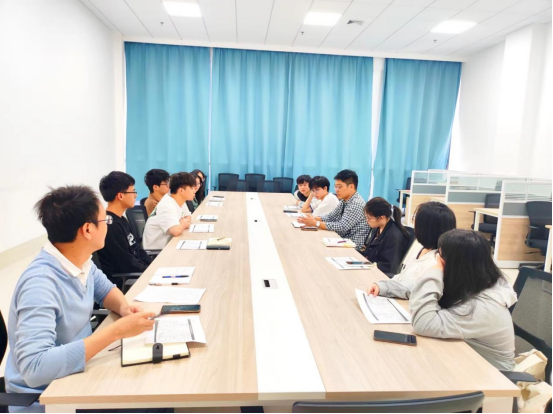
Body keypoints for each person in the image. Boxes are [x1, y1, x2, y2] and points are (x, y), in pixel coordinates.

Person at [5, 186, 155, 413]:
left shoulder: (80, 261)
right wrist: (116, 332)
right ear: (87, 229)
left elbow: (107, 291)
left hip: (77, 375)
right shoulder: (41, 283)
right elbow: (35, 368)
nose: (108, 225)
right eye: (104, 221)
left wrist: (124, 308)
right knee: (153, 404)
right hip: (48, 398)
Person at [369, 230, 517, 371]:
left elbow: (423, 324)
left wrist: (435, 271)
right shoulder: (472, 281)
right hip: (461, 356)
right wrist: (386, 287)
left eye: (440, 255)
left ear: (455, 264)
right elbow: (419, 287)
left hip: (492, 374)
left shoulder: (483, 306)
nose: (436, 259)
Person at [368, 202, 456, 296]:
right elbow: (402, 276)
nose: (413, 223)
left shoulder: (436, 261)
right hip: (396, 293)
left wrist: (385, 287)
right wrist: (382, 285)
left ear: (426, 227)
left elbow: (413, 288)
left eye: (415, 218)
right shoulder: (420, 247)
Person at [97, 172, 153, 288]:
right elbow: (127, 263)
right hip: (124, 282)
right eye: (133, 191)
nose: (135, 195)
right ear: (120, 196)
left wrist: (154, 266)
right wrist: (151, 272)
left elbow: (137, 250)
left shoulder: (121, 219)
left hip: (135, 275)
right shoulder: (111, 226)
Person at [298, 170, 370, 251]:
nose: (336, 190)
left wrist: (316, 223)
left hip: (352, 246)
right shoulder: (344, 200)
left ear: (351, 187)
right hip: (342, 239)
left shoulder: (356, 203)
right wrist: (312, 219)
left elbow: (342, 227)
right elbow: (331, 216)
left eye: (339, 187)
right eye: (335, 187)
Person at [361, 197, 414, 277]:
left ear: (381, 217)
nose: (367, 220)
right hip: (369, 268)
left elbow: (388, 267)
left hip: (378, 274)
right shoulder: (377, 228)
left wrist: (368, 265)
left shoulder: (393, 236)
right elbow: (368, 252)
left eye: (369, 218)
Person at [143, 172, 195, 250]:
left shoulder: (179, 200)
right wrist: (182, 225)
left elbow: (188, 216)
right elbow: (176, 231)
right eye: (191, 188)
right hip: (157, 251)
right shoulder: (166, 205)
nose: (194, 190)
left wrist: (182, 224)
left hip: (170, 244)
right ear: (181, 191)